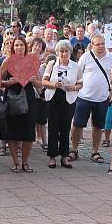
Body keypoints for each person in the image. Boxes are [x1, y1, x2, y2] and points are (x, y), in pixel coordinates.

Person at [72, 34, 112, 164]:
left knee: (98, 126)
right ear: (92, 45)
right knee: (78, 125)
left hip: (102, 98)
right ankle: (74, 150)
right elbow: (78, 74)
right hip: (84, 97)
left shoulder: (111, 58)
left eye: (103, 43)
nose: (101, 46)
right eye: (98, 44)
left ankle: (95, 151)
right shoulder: (86, 57)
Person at [0, 37, 38, 172]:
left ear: (26, 47)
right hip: (12, 96)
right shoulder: (7, 61)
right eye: (16, 45)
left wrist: (34, 80)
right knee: (12, 131)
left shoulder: (31, 61)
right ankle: (15, 162)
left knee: (28, 131)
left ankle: (25, 162)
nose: (19, 47)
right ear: (12, 47)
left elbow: (39, 83)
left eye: (21, 45)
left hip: (28, 97)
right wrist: (9, 82)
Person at [42, 40, 81, 169]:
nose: (64, 54)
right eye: (61, 51)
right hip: (53, 97)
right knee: (53, 127)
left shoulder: (76, 66)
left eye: (66, 51)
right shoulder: (52, 64)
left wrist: (74, 87)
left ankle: (64, 156)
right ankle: (52, 156)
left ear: (70, 52)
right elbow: (44, 81)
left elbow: (81, 84)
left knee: (65, 128)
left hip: (68, 98)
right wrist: (54, 84)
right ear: (57, 52)